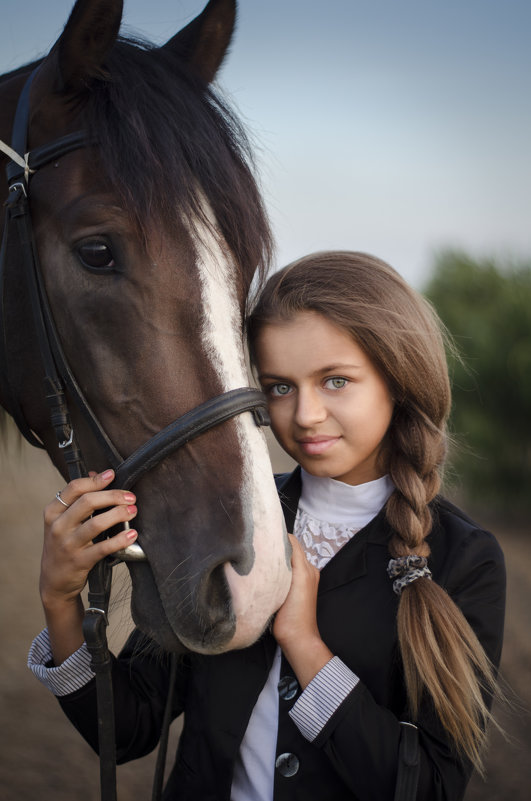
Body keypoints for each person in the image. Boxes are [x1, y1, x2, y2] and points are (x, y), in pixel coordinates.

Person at [28, 250, 505, 800]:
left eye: (335, 381)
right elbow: (127, 730)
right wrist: (60, 599)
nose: (304, 415)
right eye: (279, 386)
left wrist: (304, 645)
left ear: (399, 377)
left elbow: (432, 788)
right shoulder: (226, 517)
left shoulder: (465, 560)